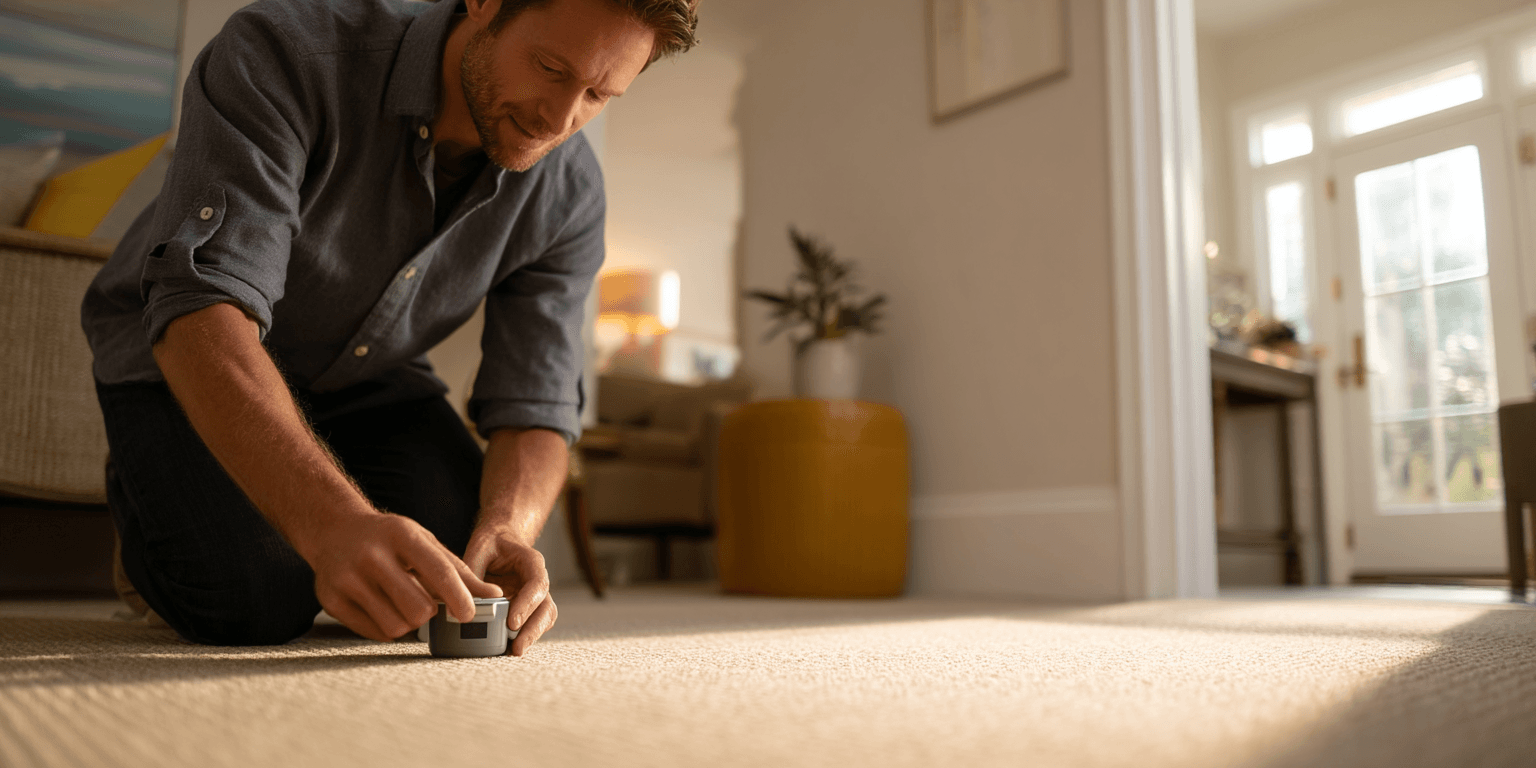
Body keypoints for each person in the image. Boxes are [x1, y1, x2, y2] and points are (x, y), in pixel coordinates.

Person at [79, 0, 698, 654]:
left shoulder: (570, 191)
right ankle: (150, 528)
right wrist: (334, 525)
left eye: (600, 94)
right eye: (549, 67)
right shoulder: (286, 53)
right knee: (254, 599)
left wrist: (510, 526)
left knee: (465, 560)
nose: (560, 118)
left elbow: (536, 402)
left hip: (367, 373)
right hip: (188, 354)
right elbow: (204, 307)